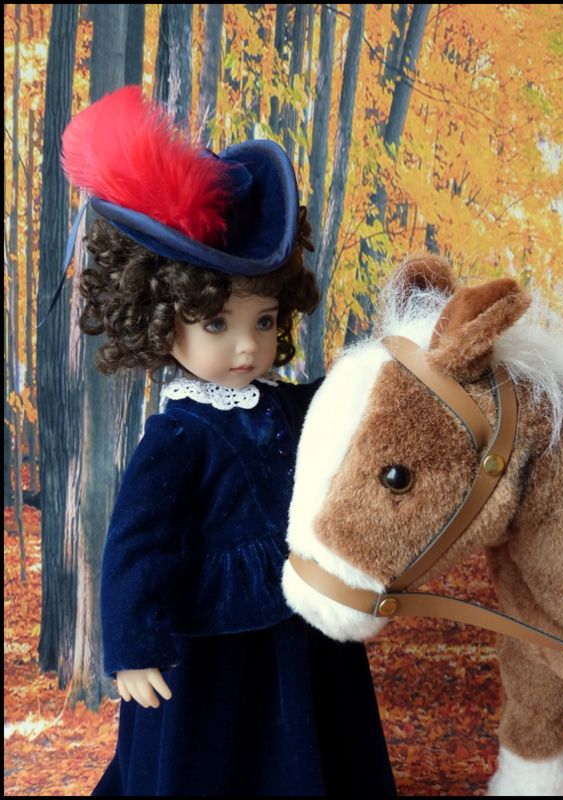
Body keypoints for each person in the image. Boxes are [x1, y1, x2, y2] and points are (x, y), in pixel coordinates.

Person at [61, 85, 396, 796]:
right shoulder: (177, 435)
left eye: (265, 322)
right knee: (217, 764)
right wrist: (133, 647)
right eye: (217, 325)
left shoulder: (288, 404)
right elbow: (135, 548)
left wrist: (380, 376)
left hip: (300, 632)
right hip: (210, 652)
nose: (247, 346)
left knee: (311, 748)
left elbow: (340, 404)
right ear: (162, 321)